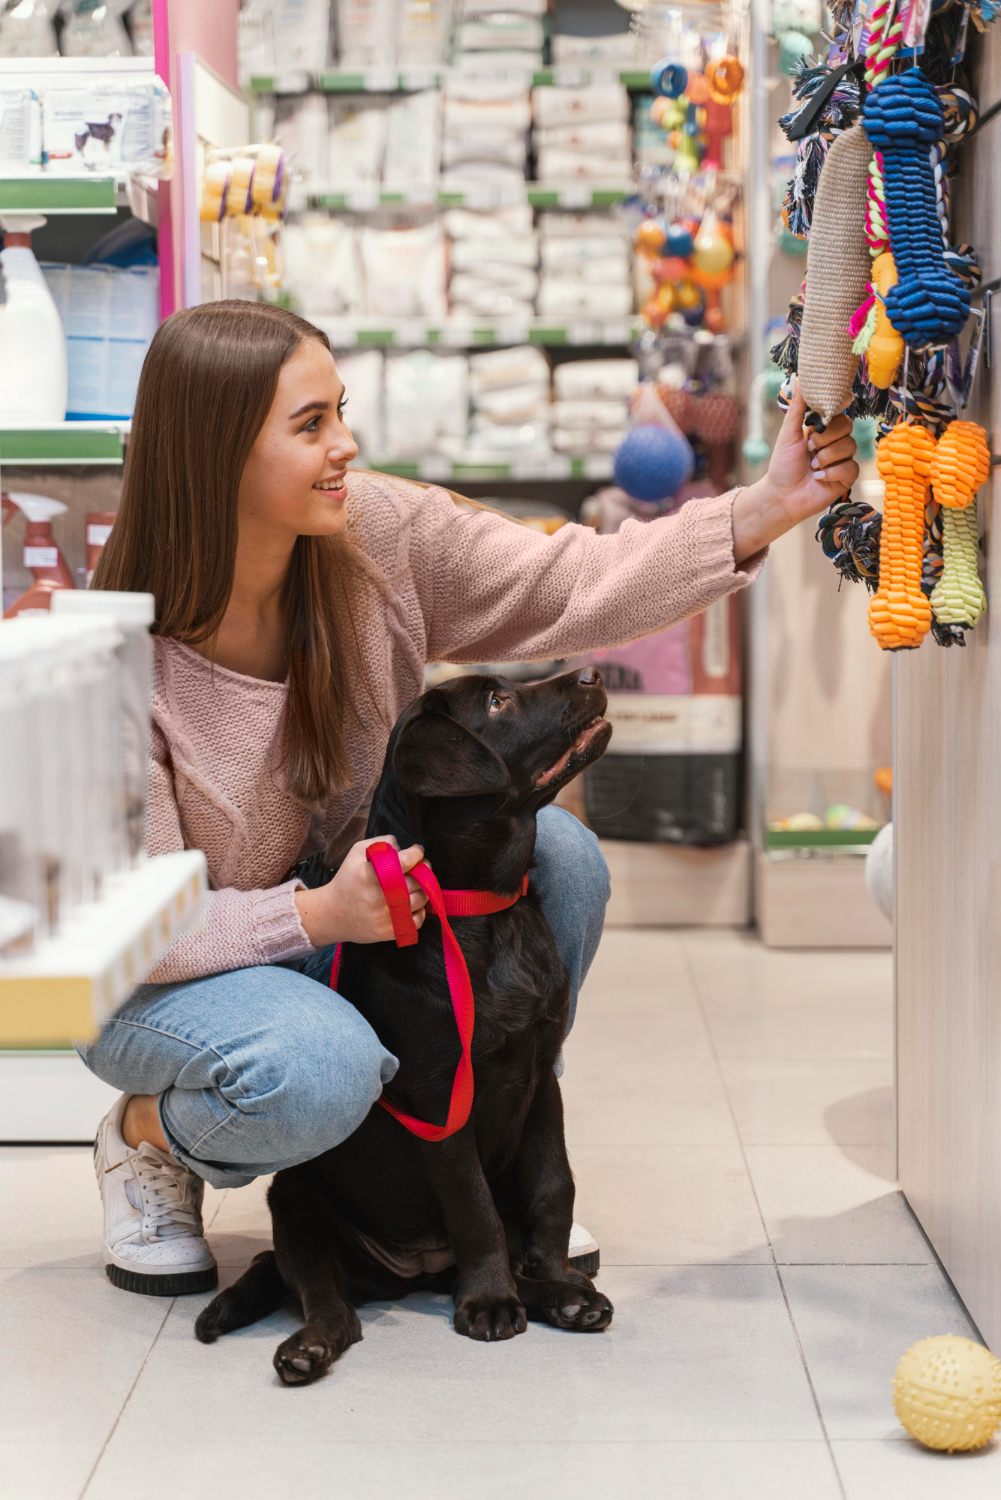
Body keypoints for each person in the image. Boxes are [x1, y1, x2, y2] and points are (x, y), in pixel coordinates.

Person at [81, 302, 858, 1295]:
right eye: (309, 424)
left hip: (331, 910)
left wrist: (758, 510)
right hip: (158, 978)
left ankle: (498, 1150)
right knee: (316, 1070)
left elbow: (560, 582)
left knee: (558, 862)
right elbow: (138, 925)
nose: (345, 445)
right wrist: (316, 913)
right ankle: (148, 1138)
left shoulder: (377, 537)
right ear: (214, 451)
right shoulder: (122, 663)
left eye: (340, 412)